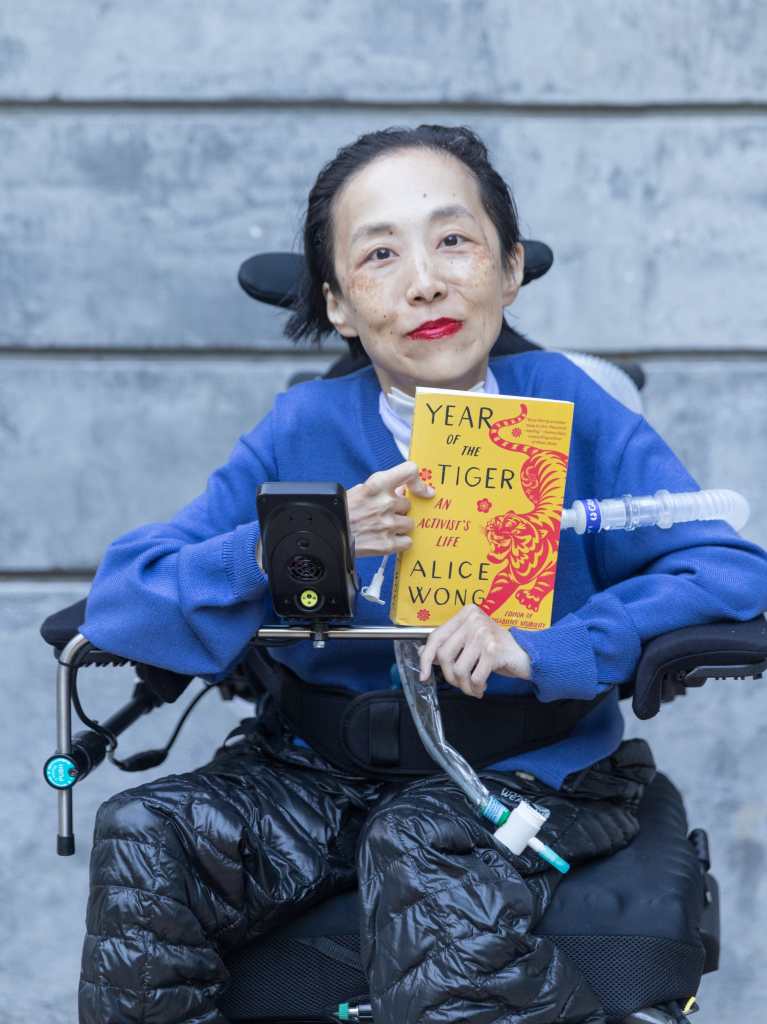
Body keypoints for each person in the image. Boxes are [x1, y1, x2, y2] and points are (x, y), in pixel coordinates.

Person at [76, 125, 767, 1024]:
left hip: (529, 770)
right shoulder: (305, 428)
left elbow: (725, 567)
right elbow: (129, 594)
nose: (424, 281)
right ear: (337, 303)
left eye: (453, 241)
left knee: (422, 849)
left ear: (508, 269)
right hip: (312, 770)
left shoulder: (570, 406)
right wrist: (285, 547)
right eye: (379, 256)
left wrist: (556, 646)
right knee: (148, 832)